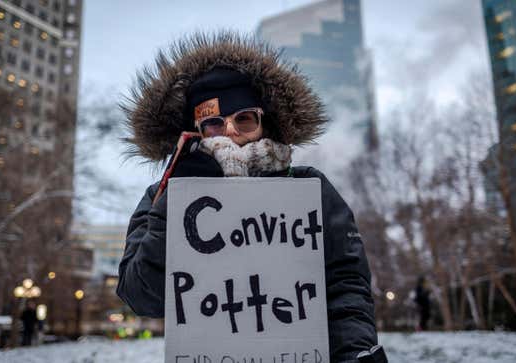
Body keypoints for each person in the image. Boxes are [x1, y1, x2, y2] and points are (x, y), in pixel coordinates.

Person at [116, 32, 387, 363]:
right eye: (214, 123)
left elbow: (345, 284)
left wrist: (356, 349)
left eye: (244, 119)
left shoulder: (307, 186)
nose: (230, 131)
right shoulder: (163, 193)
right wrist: (177, 199)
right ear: (194, 131)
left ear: (264, 123)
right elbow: (141, 296)